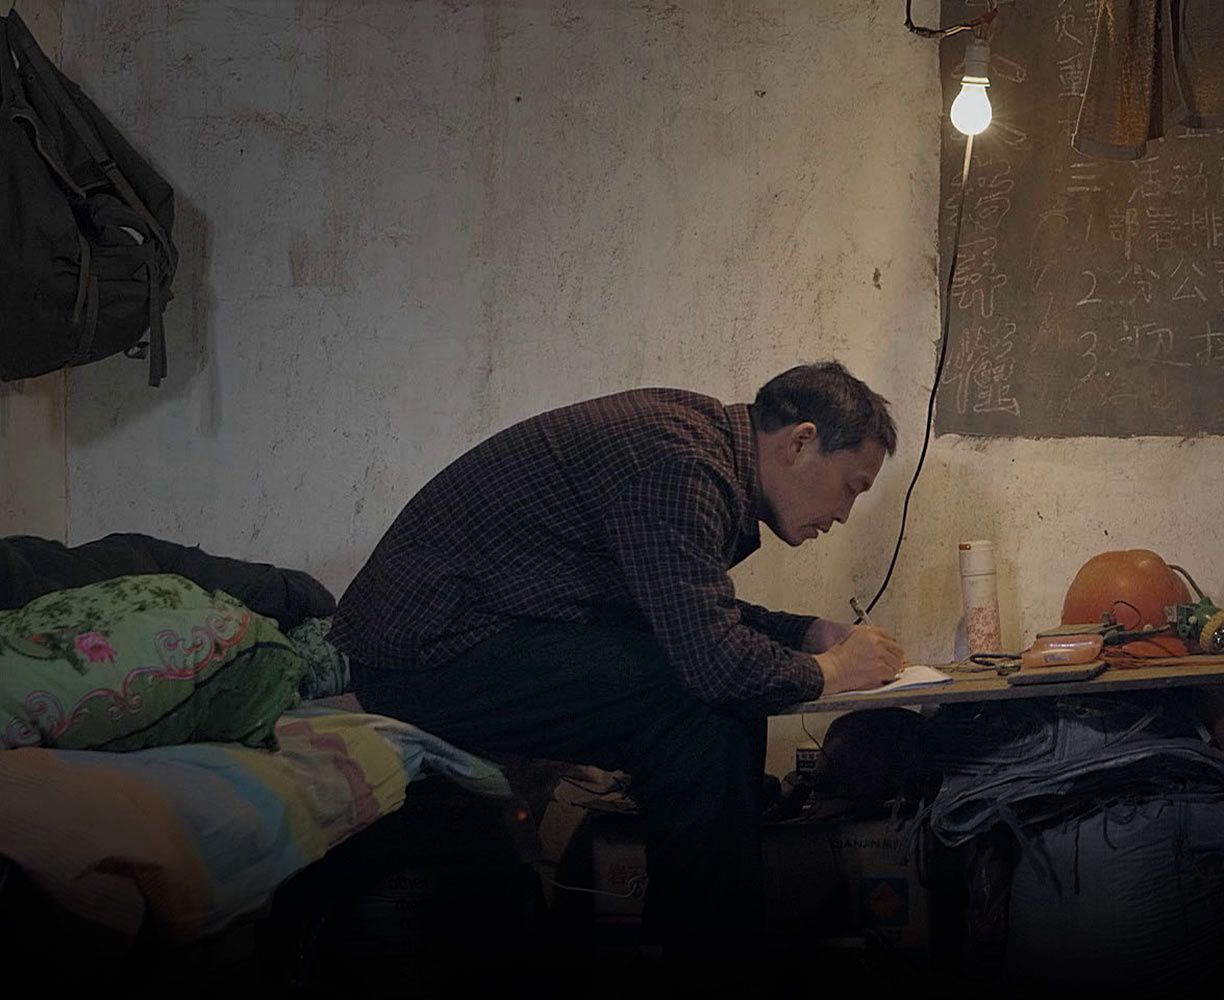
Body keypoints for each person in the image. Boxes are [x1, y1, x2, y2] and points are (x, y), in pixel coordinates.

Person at [330, 361, 907, 966]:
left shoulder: (693, 449)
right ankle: (712, 959)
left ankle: (702, 948)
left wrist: (808, 633)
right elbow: (715, 662)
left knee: (713, 701)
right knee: (700, 702)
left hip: (474, 636)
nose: (844, 514)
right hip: (424, 656)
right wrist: (834, 671)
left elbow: (682, 607)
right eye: (852, 487)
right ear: (800, 442)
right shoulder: (681, 462)